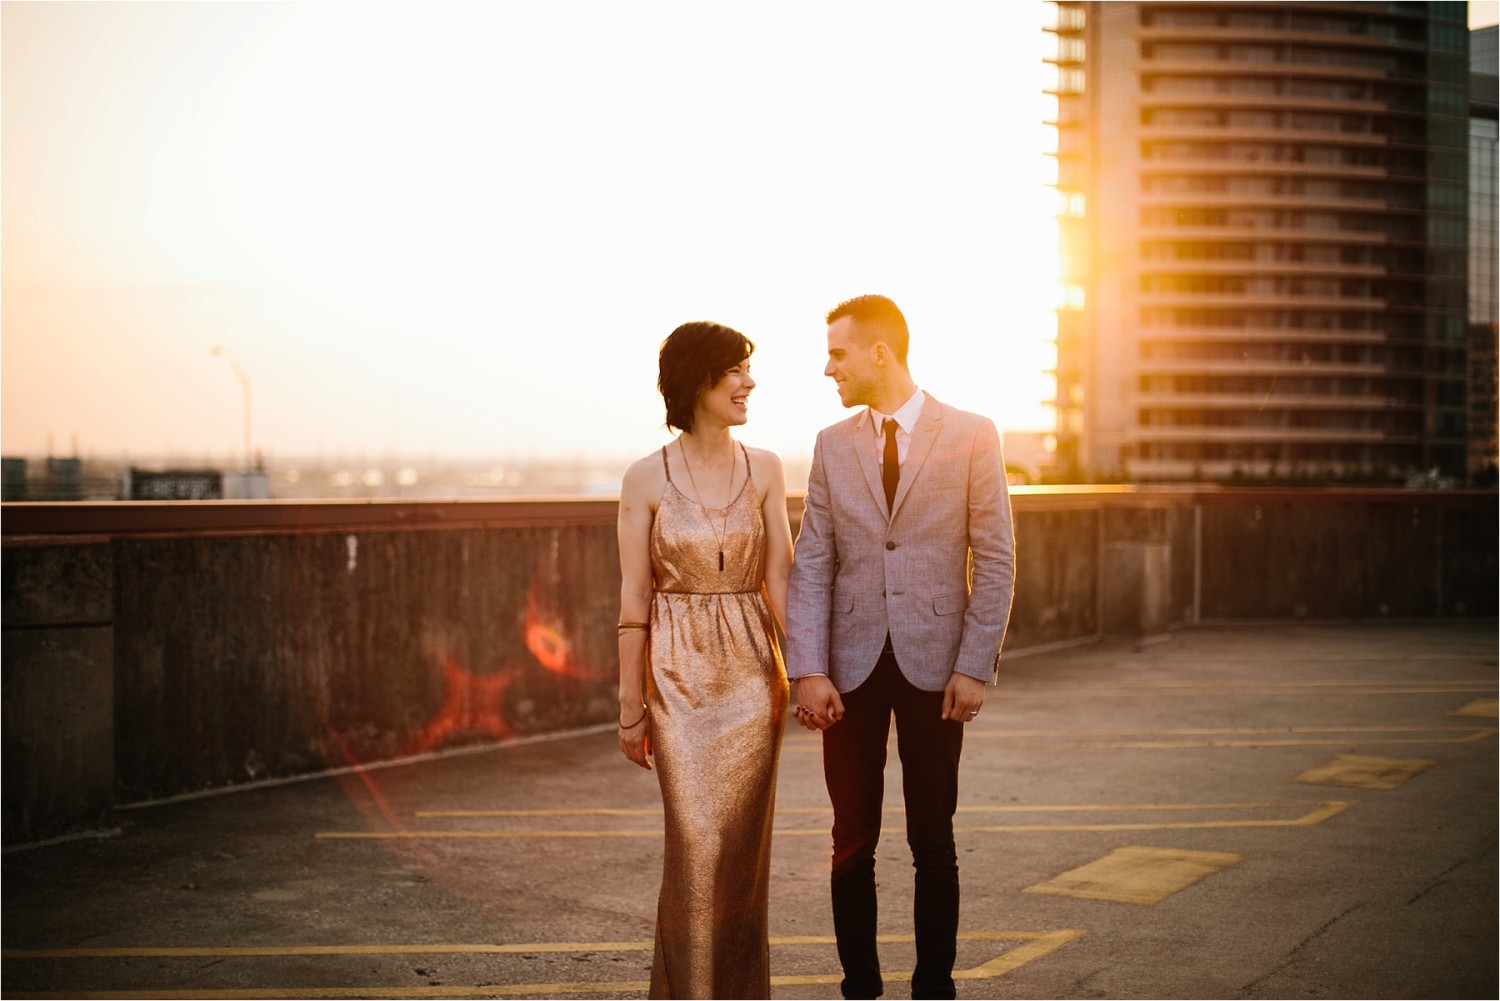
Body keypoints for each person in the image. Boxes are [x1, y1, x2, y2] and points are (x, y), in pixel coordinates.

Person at [785, 294, 1015, 1000]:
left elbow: (997, 557)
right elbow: (812, 561)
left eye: (838, 352)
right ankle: (861, 988)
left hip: (935, 667)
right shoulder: (830, 443)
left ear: (879, 352)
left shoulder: (974, 432)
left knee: (932, 843)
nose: (828, 367)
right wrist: (808, 670)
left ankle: (933, 989)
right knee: (850, 839)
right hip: (848, 672)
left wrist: (975, 665)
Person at [615, 320, 794, 1000]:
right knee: (695, 848)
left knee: (742, 862)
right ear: (699, 379)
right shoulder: (645, 477)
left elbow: (782, 577)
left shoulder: (768, 467)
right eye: (737, 371)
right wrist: (631, 709)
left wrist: (806, 672)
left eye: (749, 370)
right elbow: (634, 596)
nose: (750, 383)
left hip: (754, 676)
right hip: (676, 678)